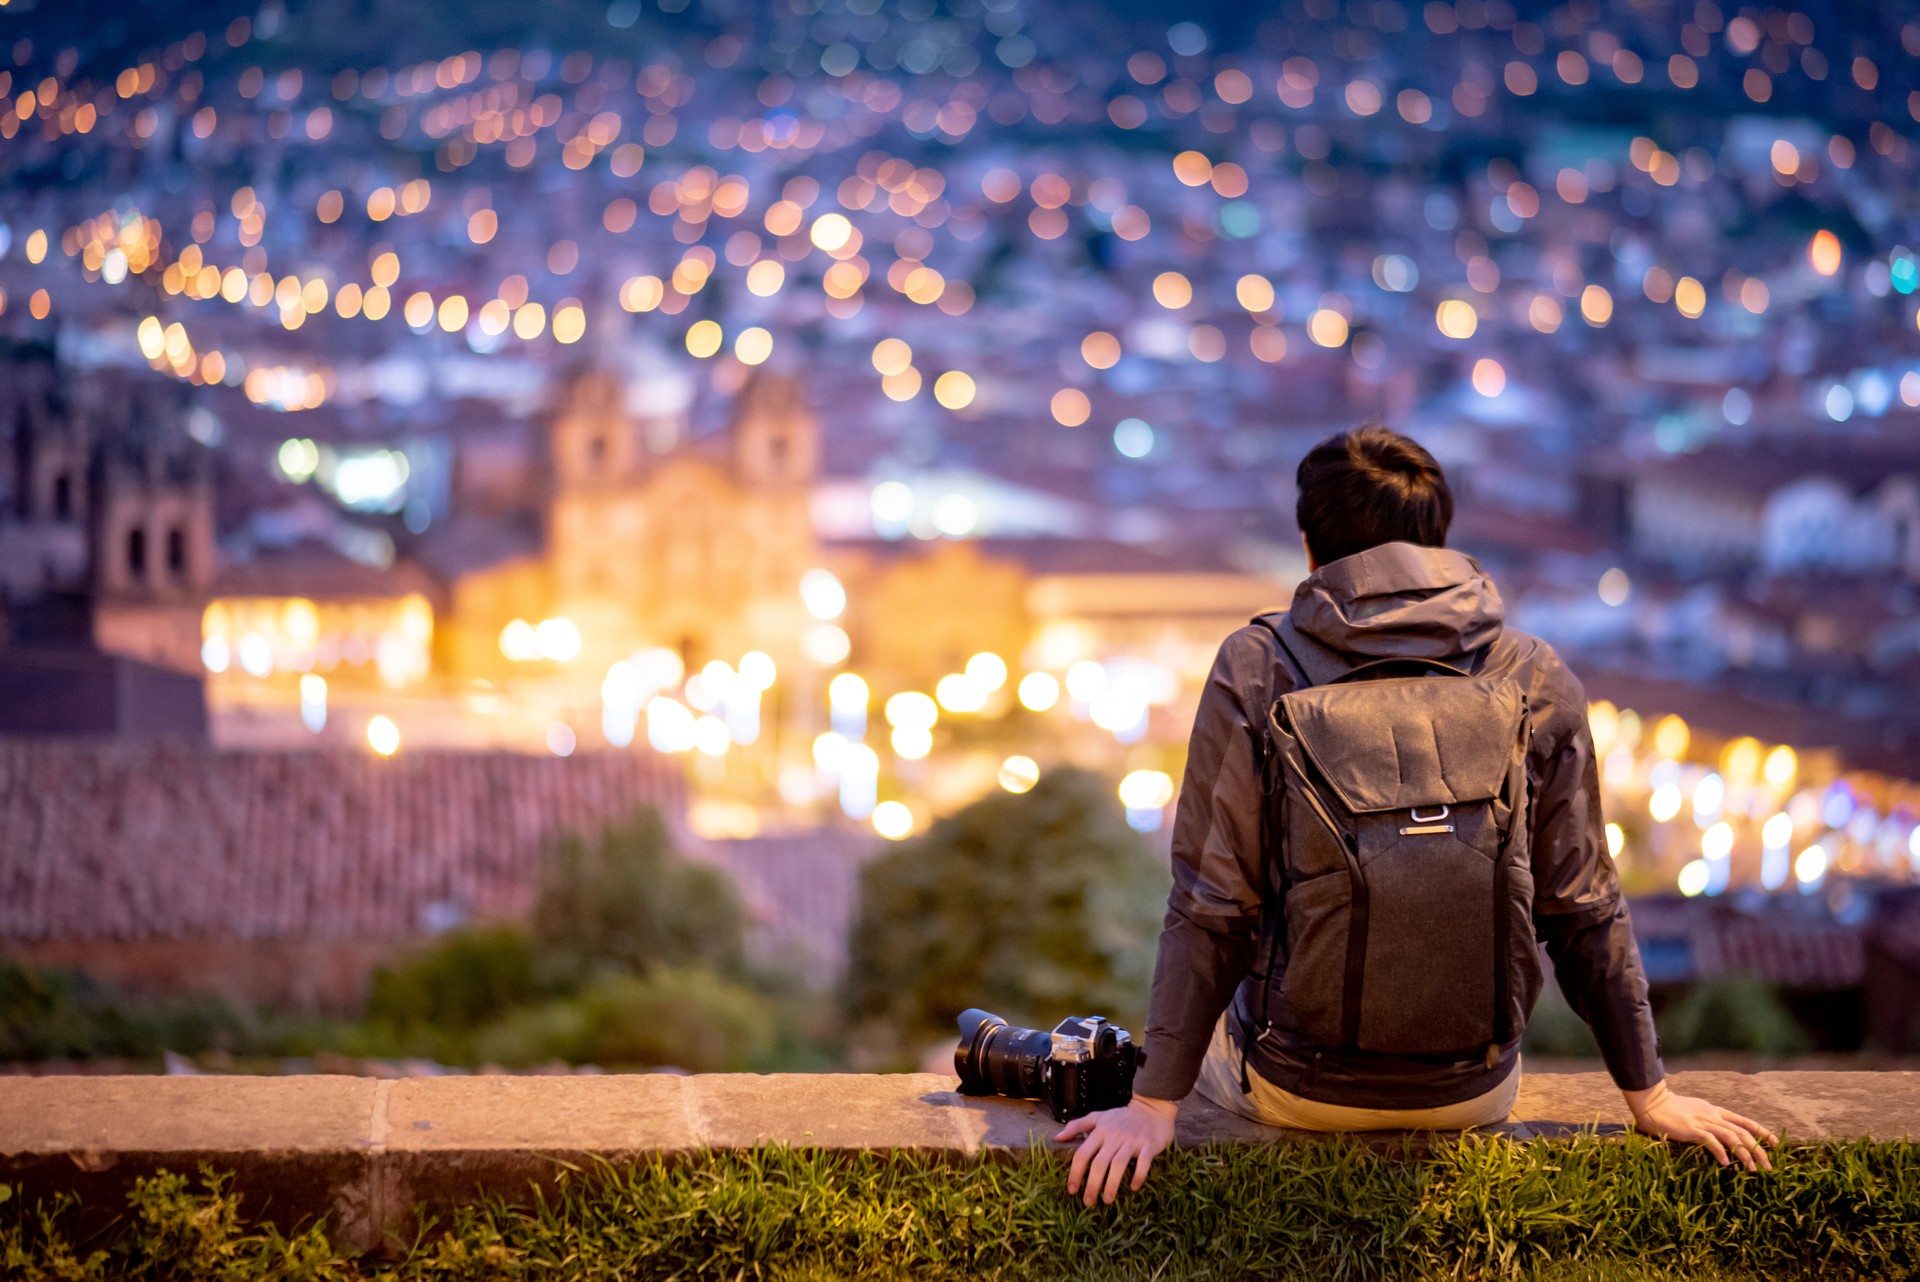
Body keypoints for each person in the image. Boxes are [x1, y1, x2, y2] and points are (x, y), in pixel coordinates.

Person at [1058, 426, 1777, 1207]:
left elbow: (1211, 905)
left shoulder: (1259, 665)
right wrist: (1650, 1094)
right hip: (1477, 1088)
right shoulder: (1532, 673)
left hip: (1298, 1086)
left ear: (1310, 549)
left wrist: (1152, 1104)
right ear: (1439, 543)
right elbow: (1581, 904)